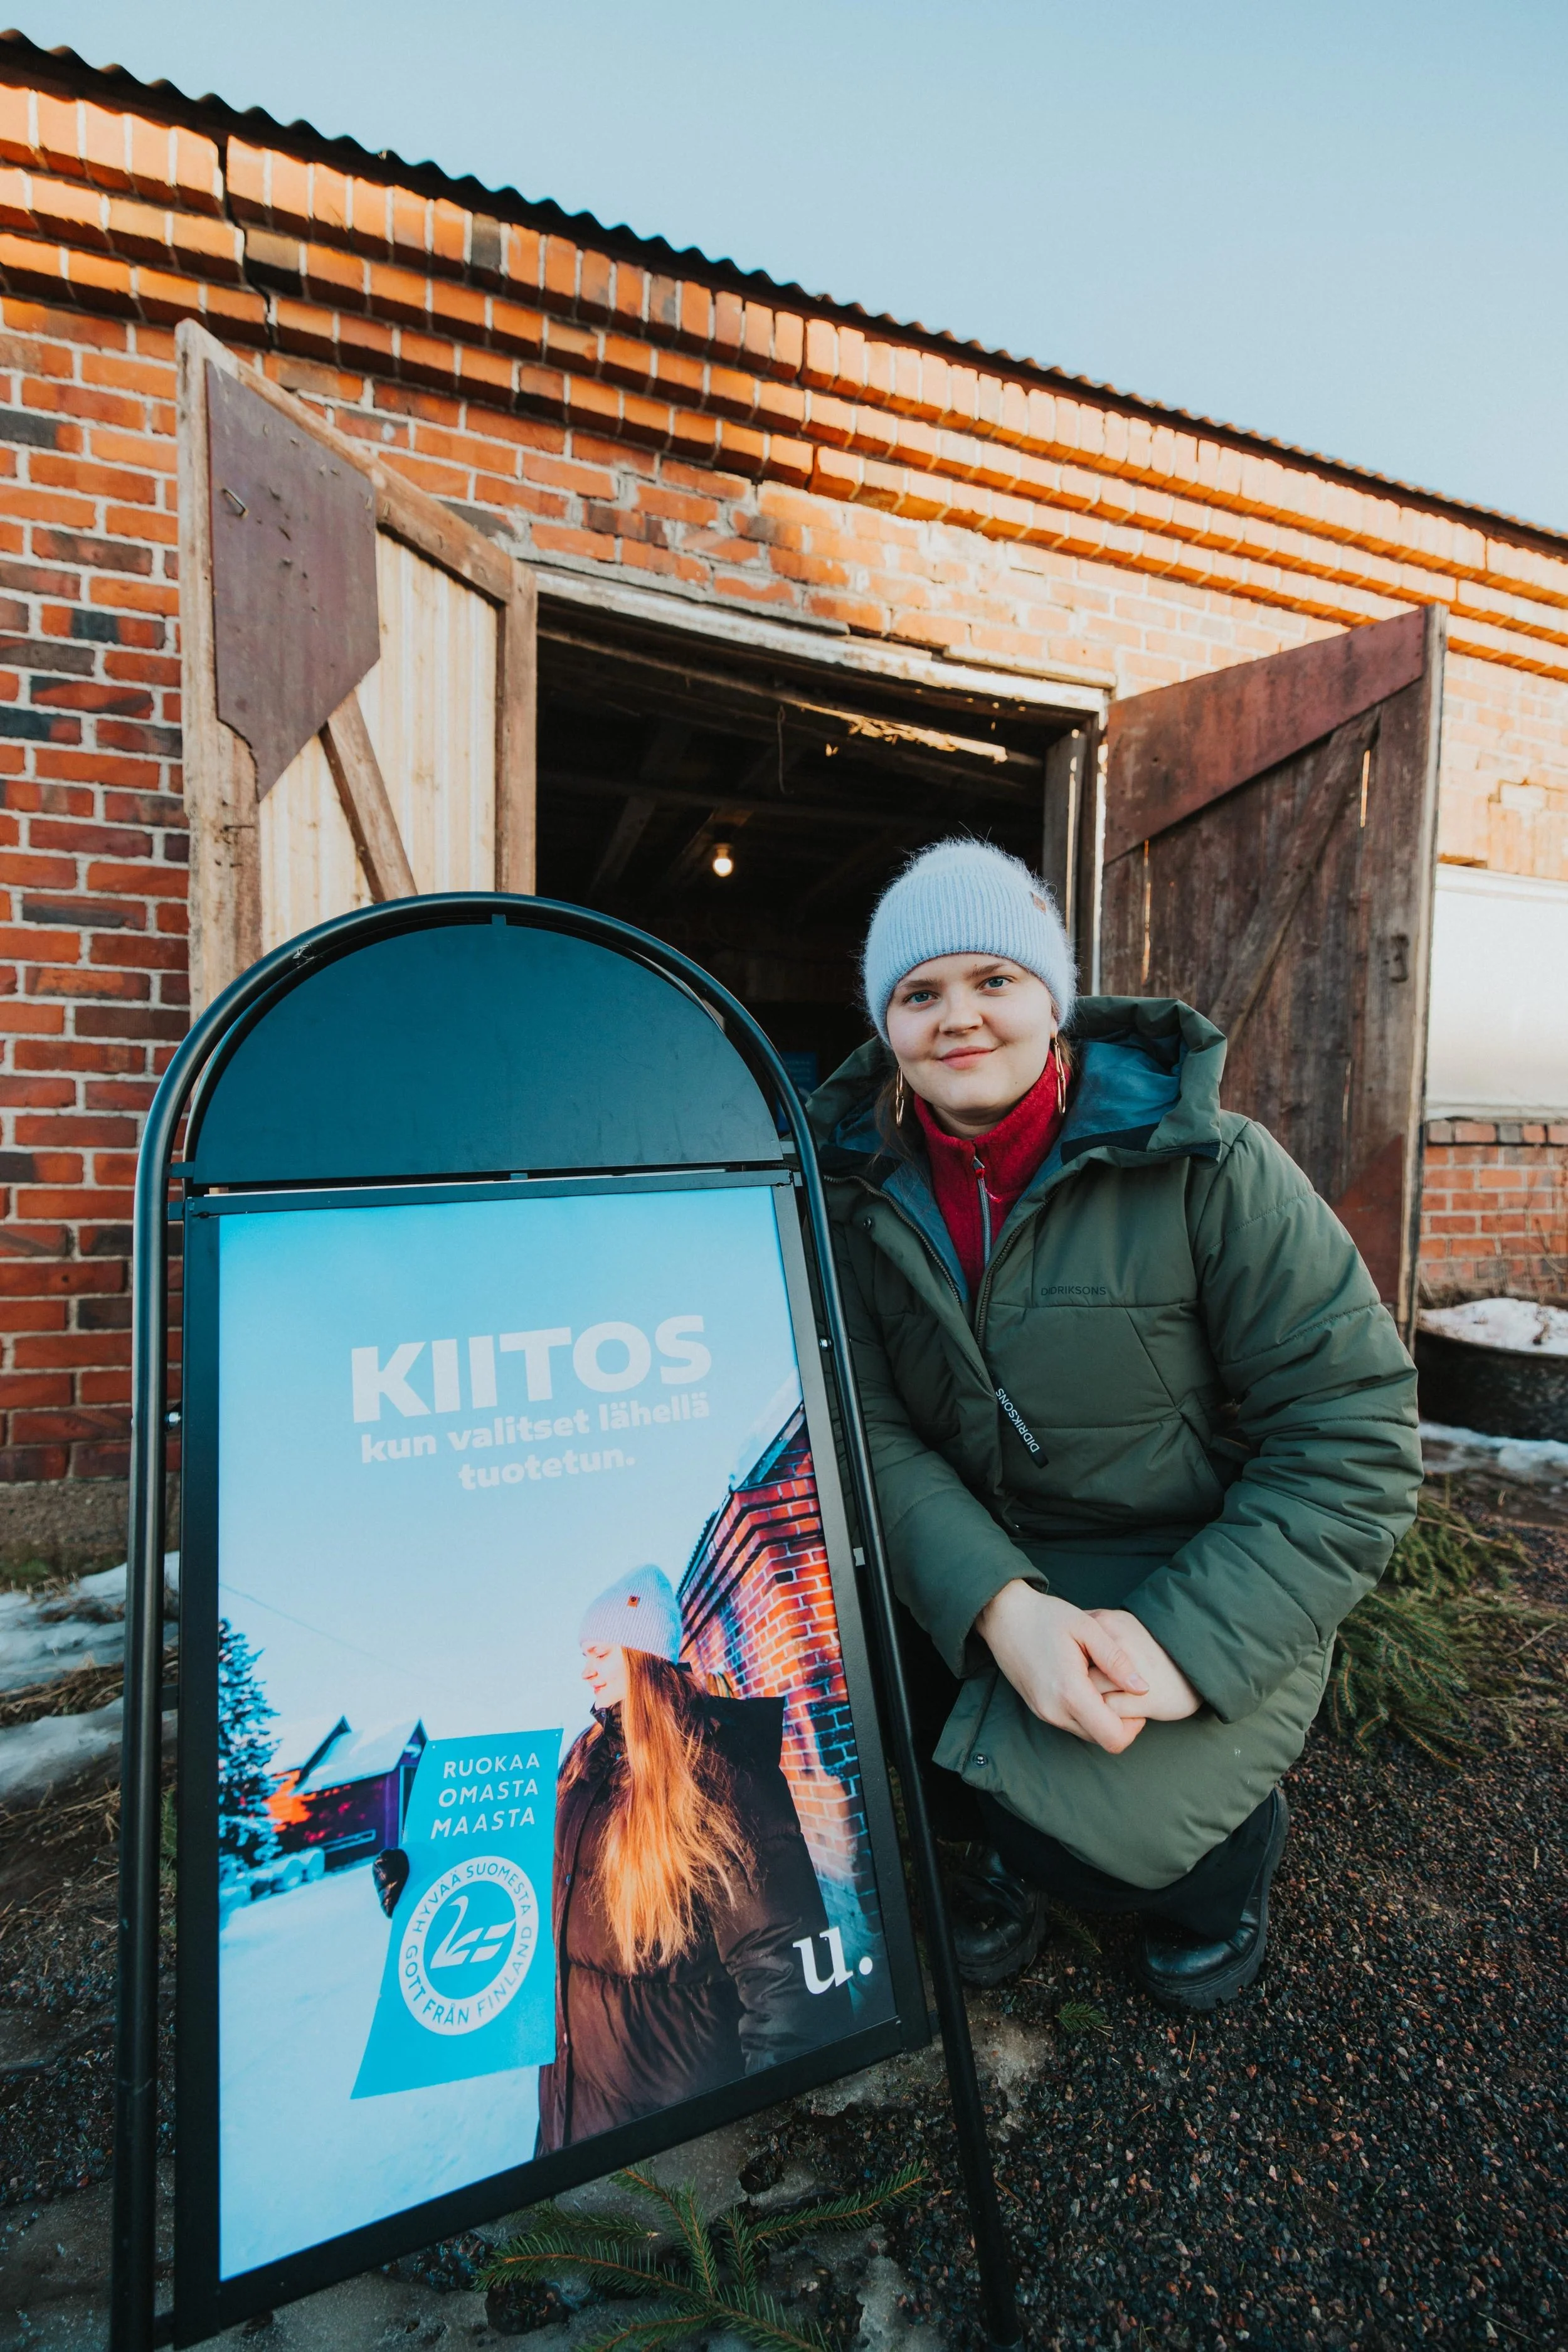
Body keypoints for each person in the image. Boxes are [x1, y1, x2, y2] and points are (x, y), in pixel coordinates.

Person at [808, 838, 1421, 2011]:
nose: (960, 1018)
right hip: (982, 1549)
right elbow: (869, 1429)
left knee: (1095, 1832)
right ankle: (991, 1837)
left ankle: (1221, 1873)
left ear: (1055, 997)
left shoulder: (1213, 1170)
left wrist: (1188, 1647)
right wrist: (998, 1603)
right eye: (920, 993)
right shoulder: (857, 1196)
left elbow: (1350, 1440)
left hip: (1174, 1561)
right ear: (886, 1024)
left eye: (995, 979)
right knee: (870, 1717)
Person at [534, 1566, 849, 2150]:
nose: (585, 1669)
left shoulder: (713, 1770)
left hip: (680, 2141)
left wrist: (760, 2139)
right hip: (572, 2120)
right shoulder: (585, 1765)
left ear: (641, 1654)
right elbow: (548, 1892)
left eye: (599, 1652)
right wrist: (426, 1889)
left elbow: (782, 1976)